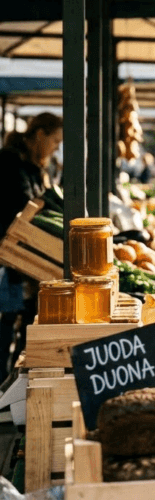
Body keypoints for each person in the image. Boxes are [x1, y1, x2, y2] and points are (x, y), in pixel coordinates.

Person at [0, 113, 63, 381]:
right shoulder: (10, 162)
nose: (57, 147)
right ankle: (5, 383)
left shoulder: (34, 164)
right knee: (8, 321)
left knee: (18, 320)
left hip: (22, 257)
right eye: (55, 140)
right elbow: (23, 205)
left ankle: (12, 381)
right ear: (40, 135)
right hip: (10, 256)